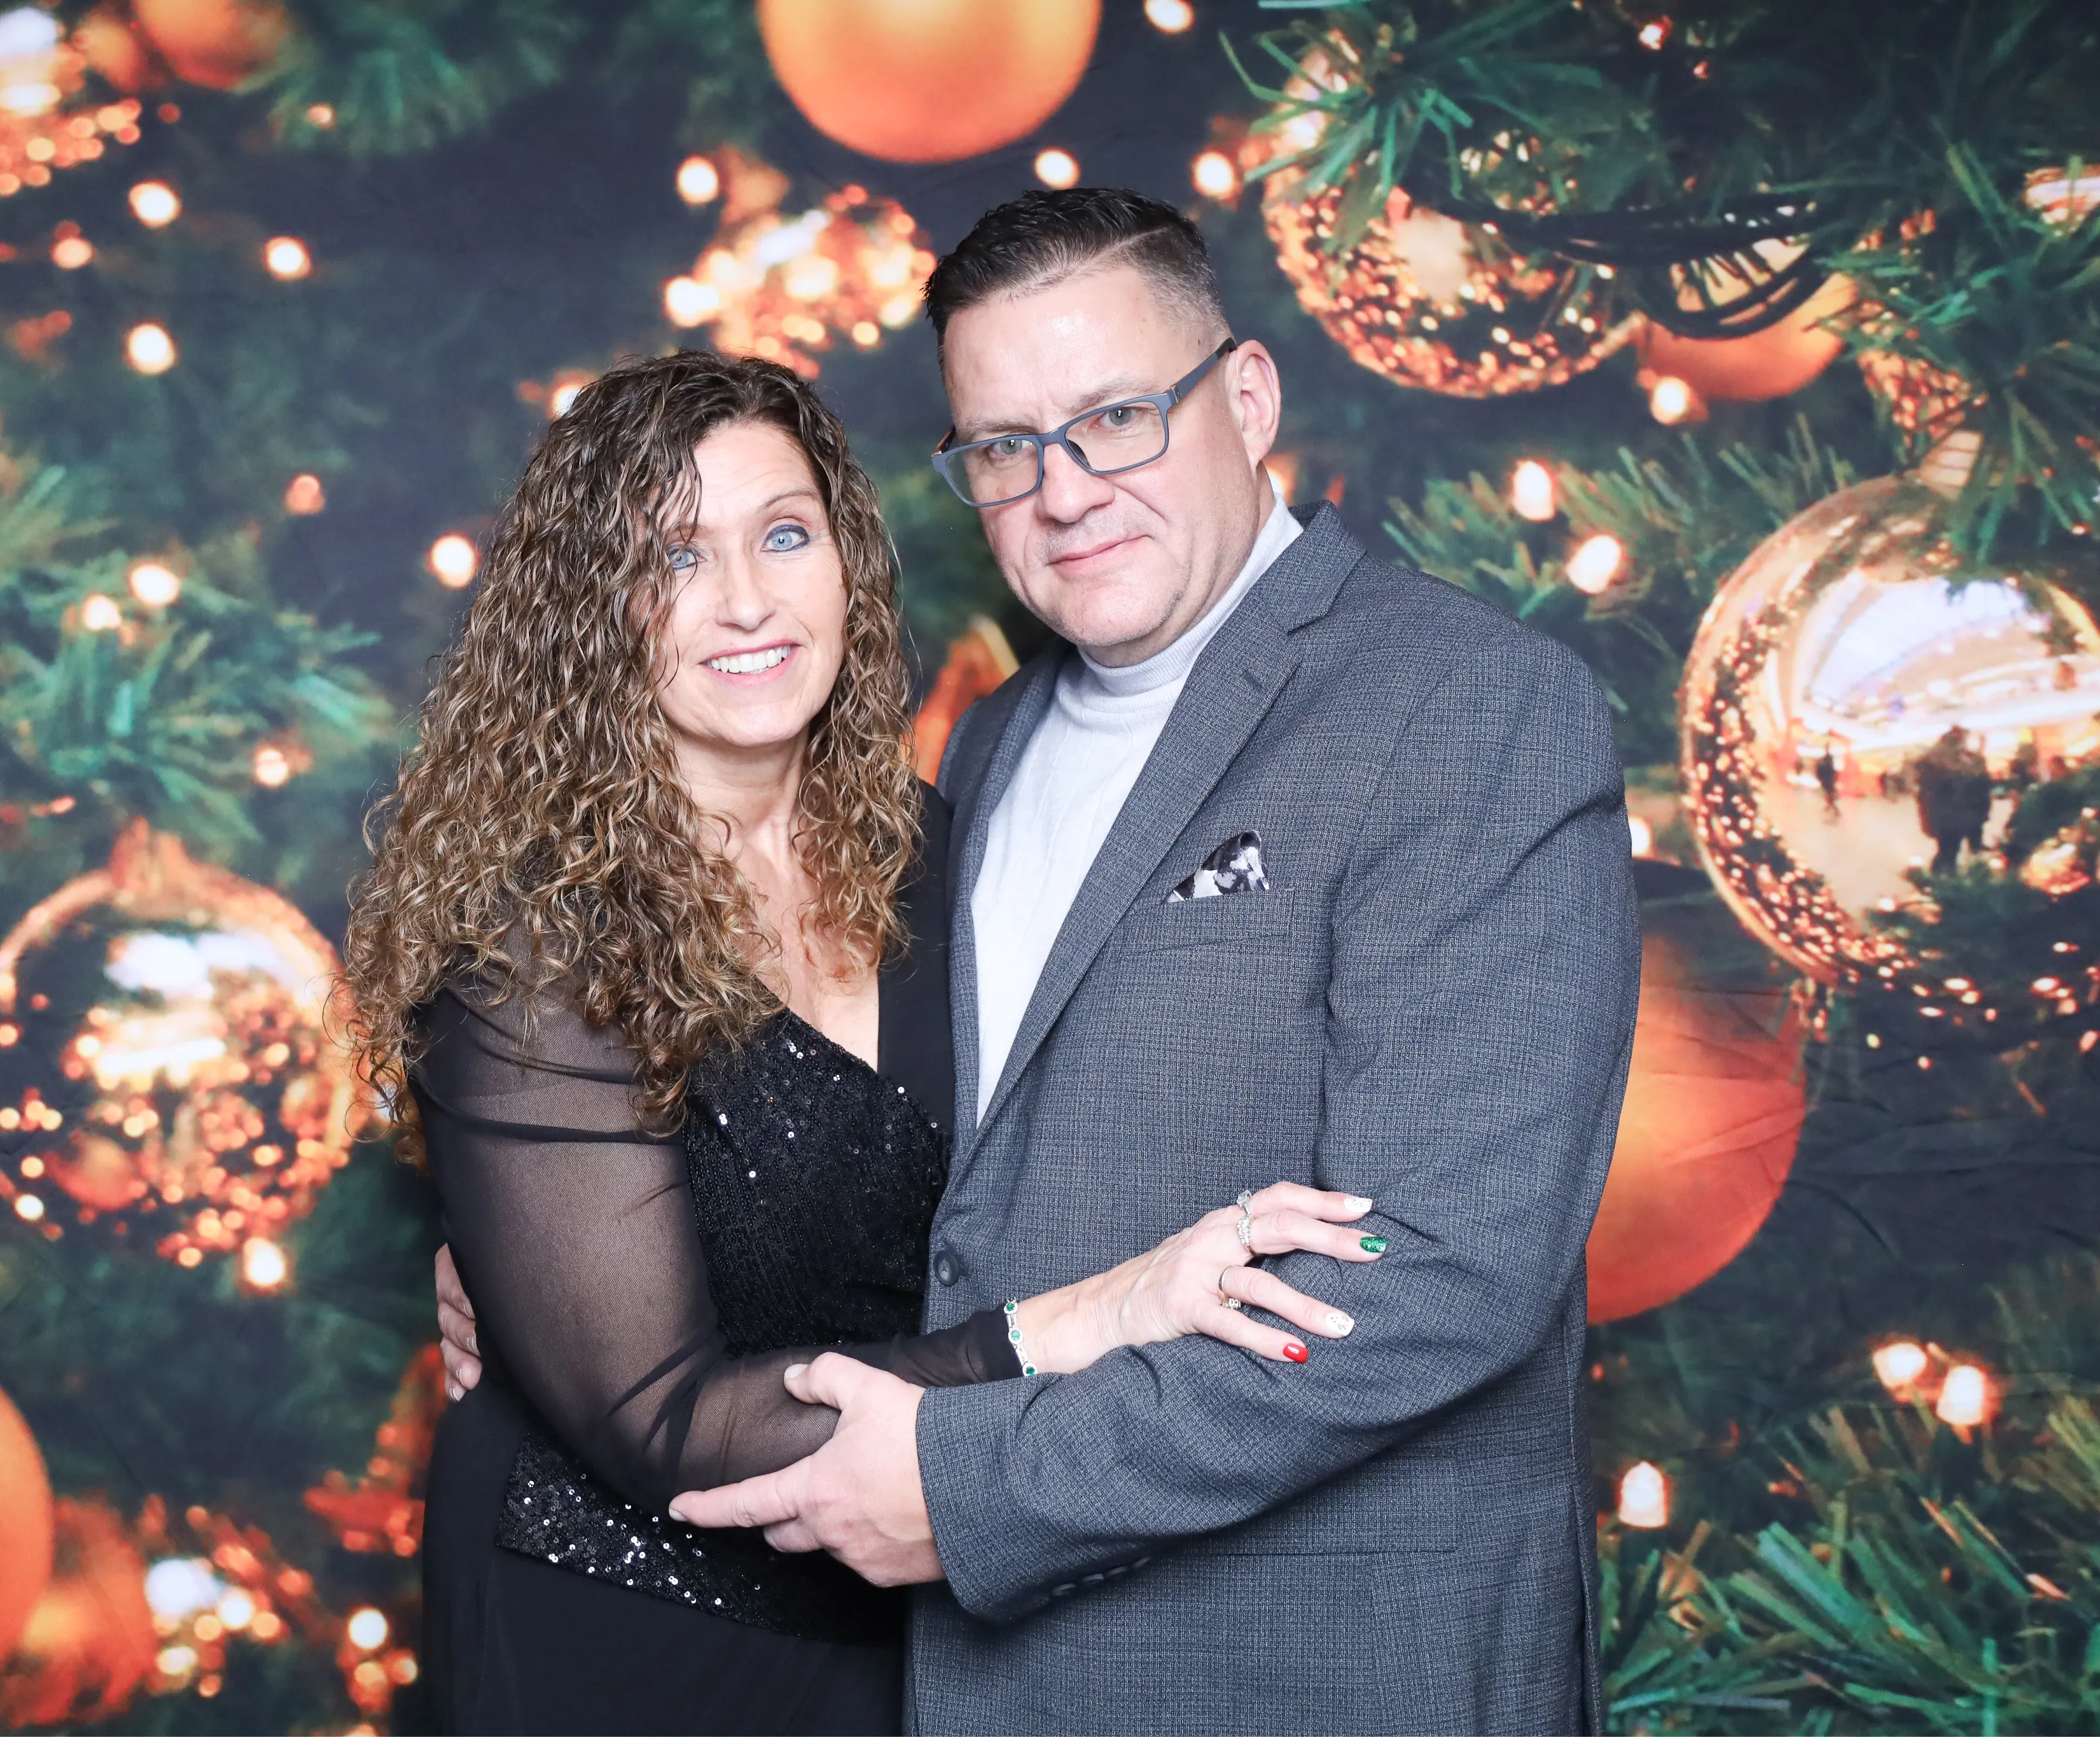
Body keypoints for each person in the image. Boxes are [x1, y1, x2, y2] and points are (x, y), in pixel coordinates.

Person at [651, 189, 1642, 1733]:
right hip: (999, 1682)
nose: (1064, 491)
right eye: (1003, 449)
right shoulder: (988, 742)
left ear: (1245, 401)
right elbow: (935, 1170)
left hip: (1320, 1673)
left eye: (1116, 417)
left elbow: (1437, 1270)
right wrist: (574, 1241)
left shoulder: (1466, 708)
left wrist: (969, 1486)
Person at [344, 350, 1385, 1736]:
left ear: (844, 561)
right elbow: (664, 1428)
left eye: (783, 534)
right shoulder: (532, 945)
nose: (745, 601)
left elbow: (1075, 1153)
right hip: (622, 1623)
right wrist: (1088, 1319)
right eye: (672, 557)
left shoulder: (942, 856)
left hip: (917, 1611)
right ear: (590, 615)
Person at [1916, 724, 1991, 873]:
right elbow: (1966, 784)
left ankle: (1943, 877)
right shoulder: (1945, 765)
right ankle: (1944, 879)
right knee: (1949, 852)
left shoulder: (1937, 762)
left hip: (1948, 816)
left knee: (1948, 850)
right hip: (1952, 816)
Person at [1815, 743, 1841, 817]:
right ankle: (1833, 811)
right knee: (1831, 798)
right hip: (1829, 783)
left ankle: (1830, 810)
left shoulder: (1823, 763)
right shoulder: (1829, 763)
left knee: (1830, 798)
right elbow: (1833, 772)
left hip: (1826, 783)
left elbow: (1819, 773)